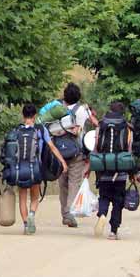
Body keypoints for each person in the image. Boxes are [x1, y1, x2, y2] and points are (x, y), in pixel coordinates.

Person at [10, 103, 68, 235]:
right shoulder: (40, 129)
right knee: (35, 197)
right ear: (35, 116)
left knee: (23, 198)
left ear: (23, 115)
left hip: (20, 169)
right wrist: (63, 162)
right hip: (35, 168)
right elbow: (52, 147)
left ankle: (25, 224)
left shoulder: (17, 130)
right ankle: (31, 215)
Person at [88, 101, 134, 240]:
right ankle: (113, 231)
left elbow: (96, 146)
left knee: (104, 196)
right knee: (118, 200)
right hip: (120, 170)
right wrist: (132, 173)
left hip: (103, 168)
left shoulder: (101, 125)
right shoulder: (127, 128)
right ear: (122, 113)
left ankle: (102, 214)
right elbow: (129, 149)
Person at [58, 83, 100, 228]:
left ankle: (64, 214)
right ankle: (69, 213)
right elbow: (96, 124)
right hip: (76, 151)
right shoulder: (82, 110)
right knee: (74, 183)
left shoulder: (57, 108)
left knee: (63, 184)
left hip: (59, 152)